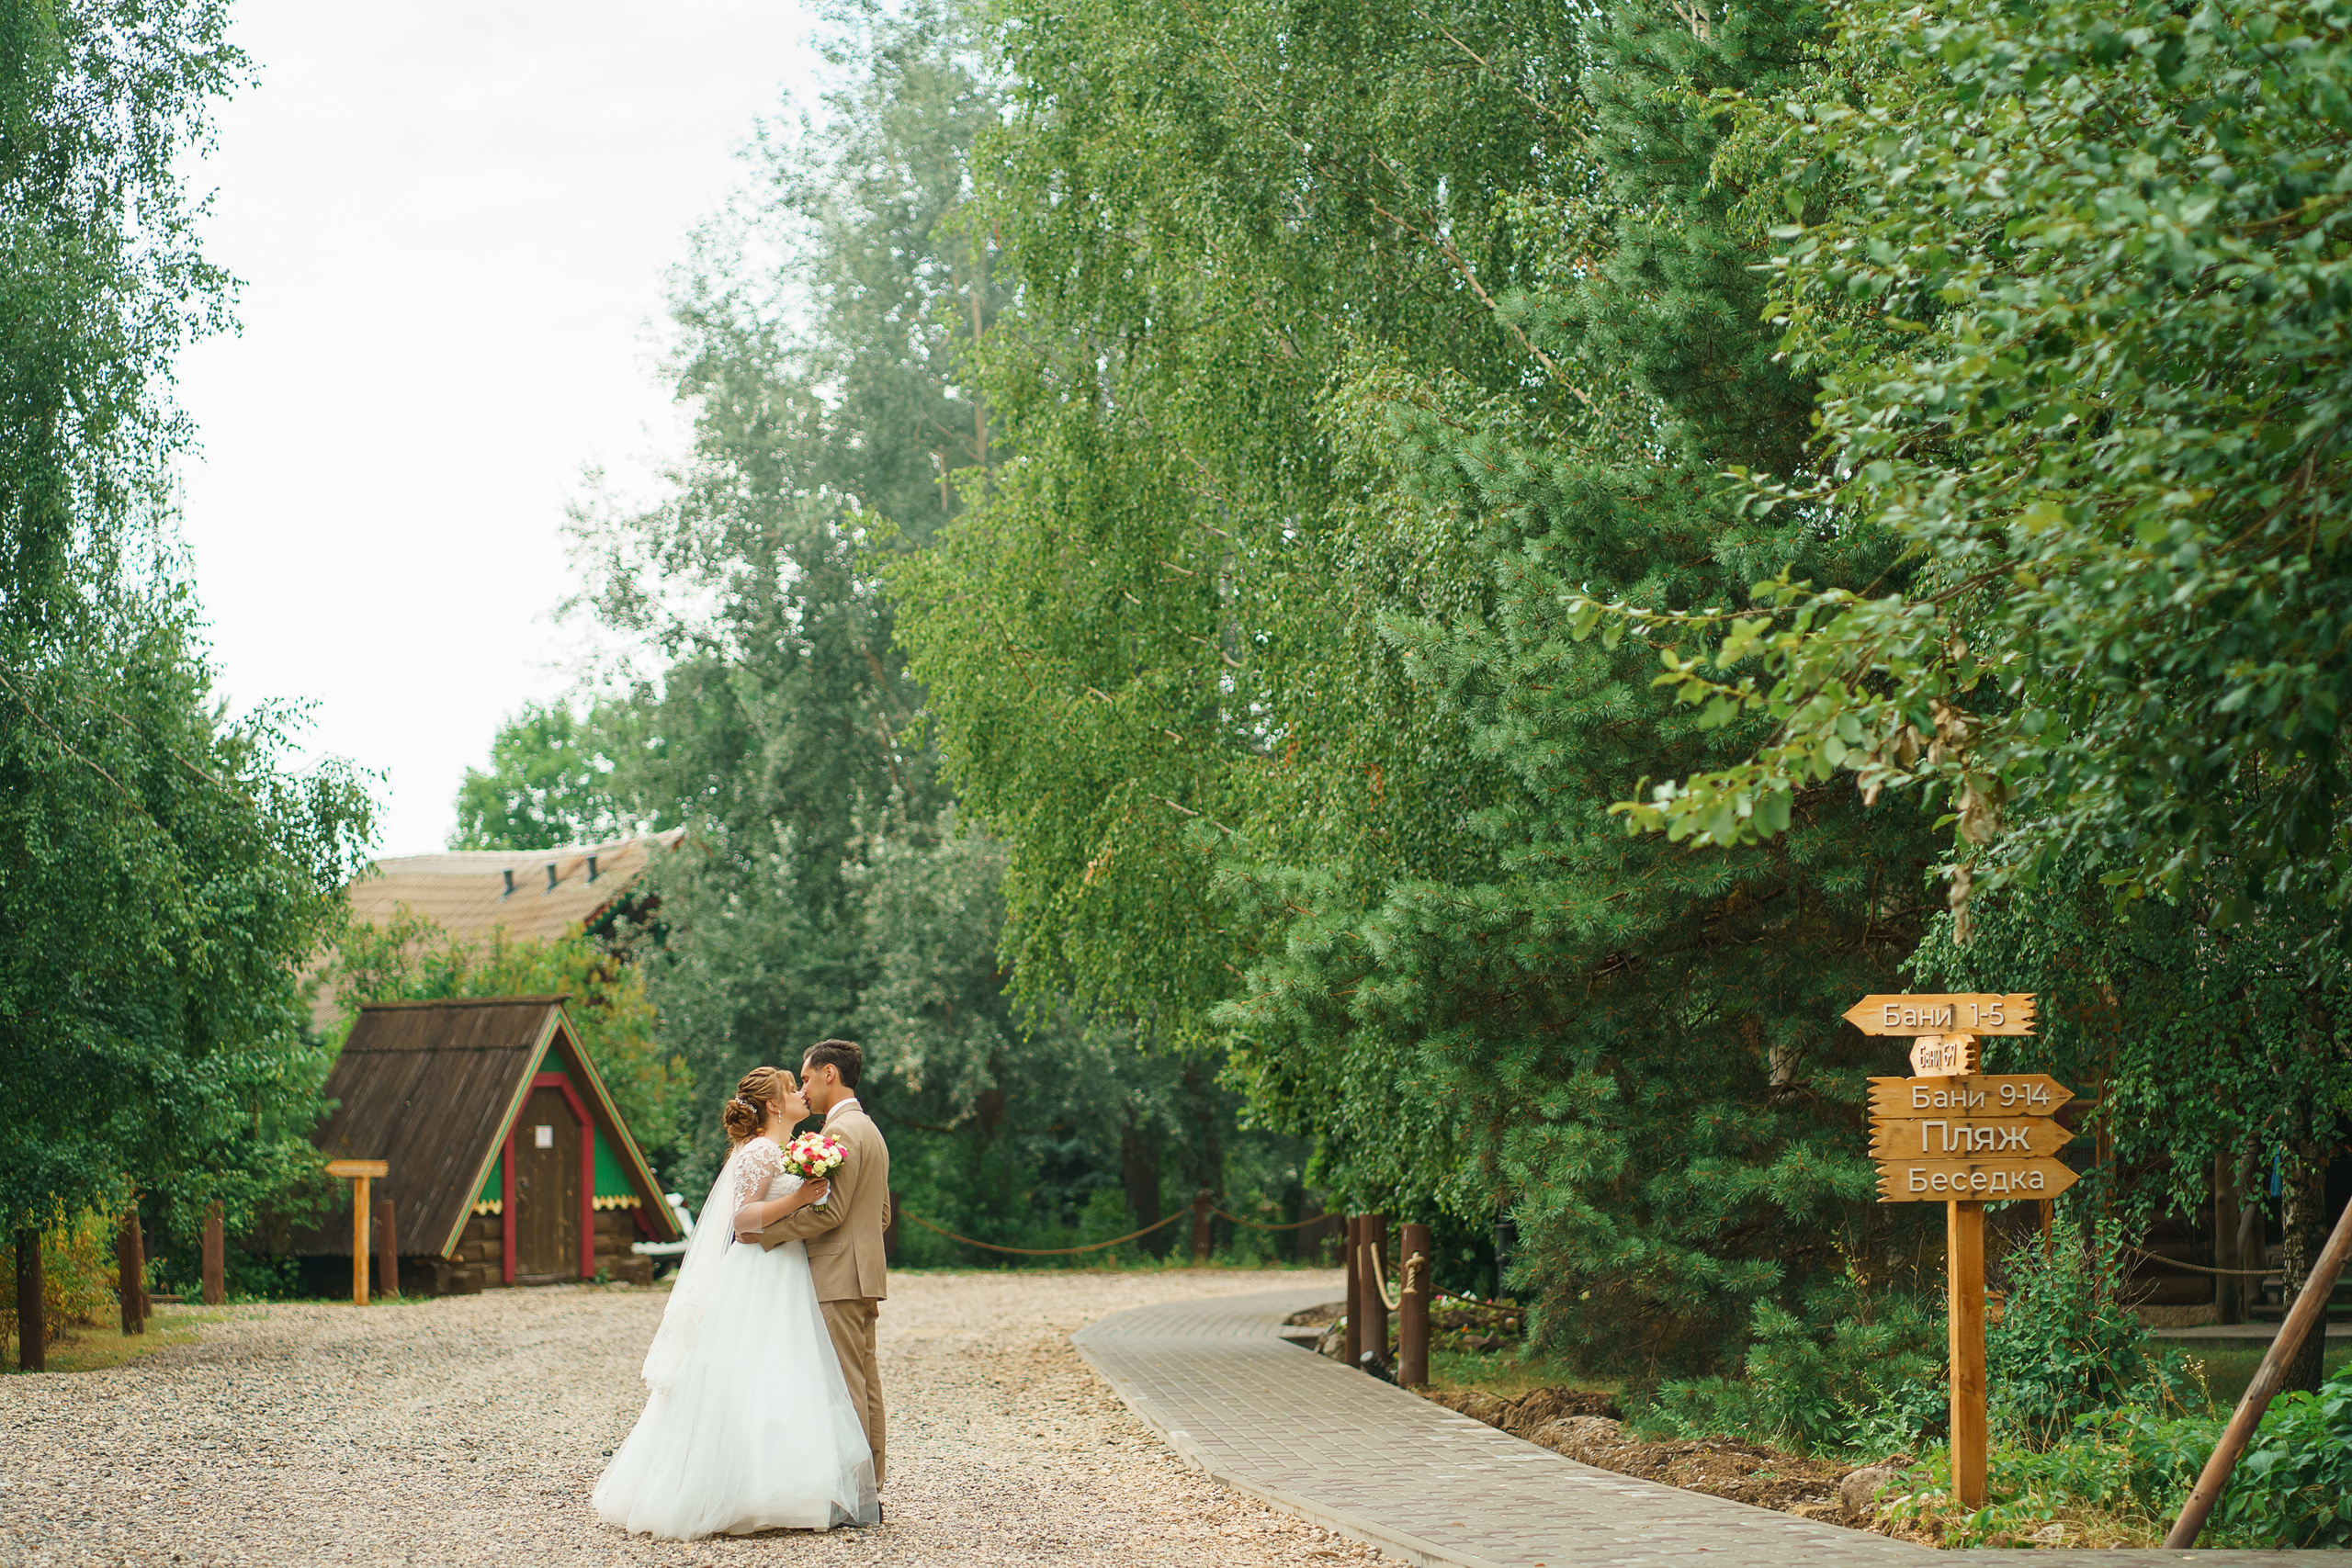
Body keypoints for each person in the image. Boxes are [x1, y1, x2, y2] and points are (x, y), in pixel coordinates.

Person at [593, 1066, 878, 1538]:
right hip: (760, 1273)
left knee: (784, 1373)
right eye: (792, 1089)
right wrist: (801, 1198)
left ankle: (780, 1488)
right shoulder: (763, 1150)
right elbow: (744, 1222)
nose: (801, 1094)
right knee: (751, 1370)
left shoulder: (782, 1149)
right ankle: (733, 1491)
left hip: (787, 1271)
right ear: (771, 1105)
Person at [749, 1039, 891, 1491]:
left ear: (831, 1073)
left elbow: (831, 1211)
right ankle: (869, 1488)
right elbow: (880, 1214)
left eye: (807, 1077)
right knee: (865, 1383)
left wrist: (767, 1235)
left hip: (837, 1274)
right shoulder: (868, 1127)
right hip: (861, 1272)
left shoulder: (842, 1133)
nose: (804, 1088)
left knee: (846, 1387)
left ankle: (856, 1493)